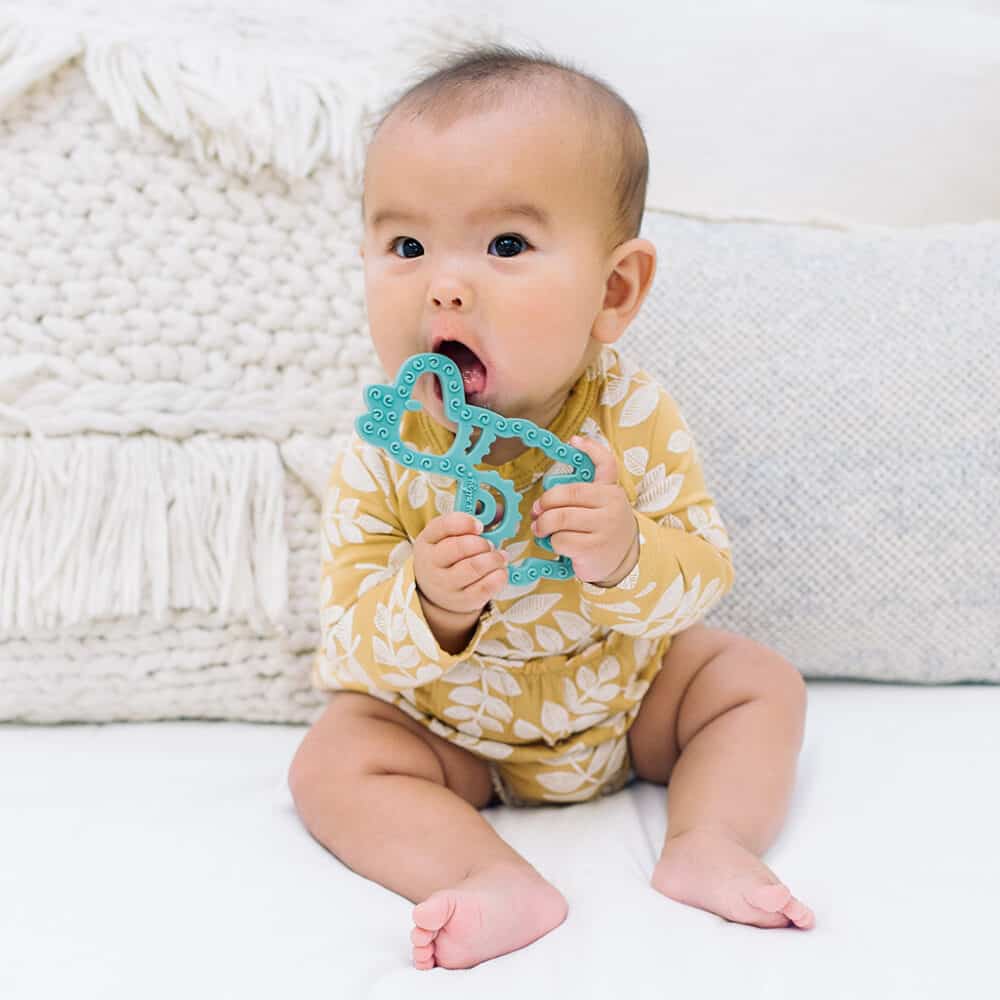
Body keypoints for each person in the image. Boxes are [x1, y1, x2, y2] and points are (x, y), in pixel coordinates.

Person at [288, 43, 814, 972]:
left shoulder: (635, 419)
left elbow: (702, 575)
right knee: (333, 762)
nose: (443, 284)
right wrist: (431, 603)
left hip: (627, 697)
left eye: (505, 247)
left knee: (757, 683)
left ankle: (708, 839)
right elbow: (348, 638)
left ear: (614, 293)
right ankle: (486, 876)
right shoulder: (388, 449)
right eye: (406, 247)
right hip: (453, 735)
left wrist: (624, 552)